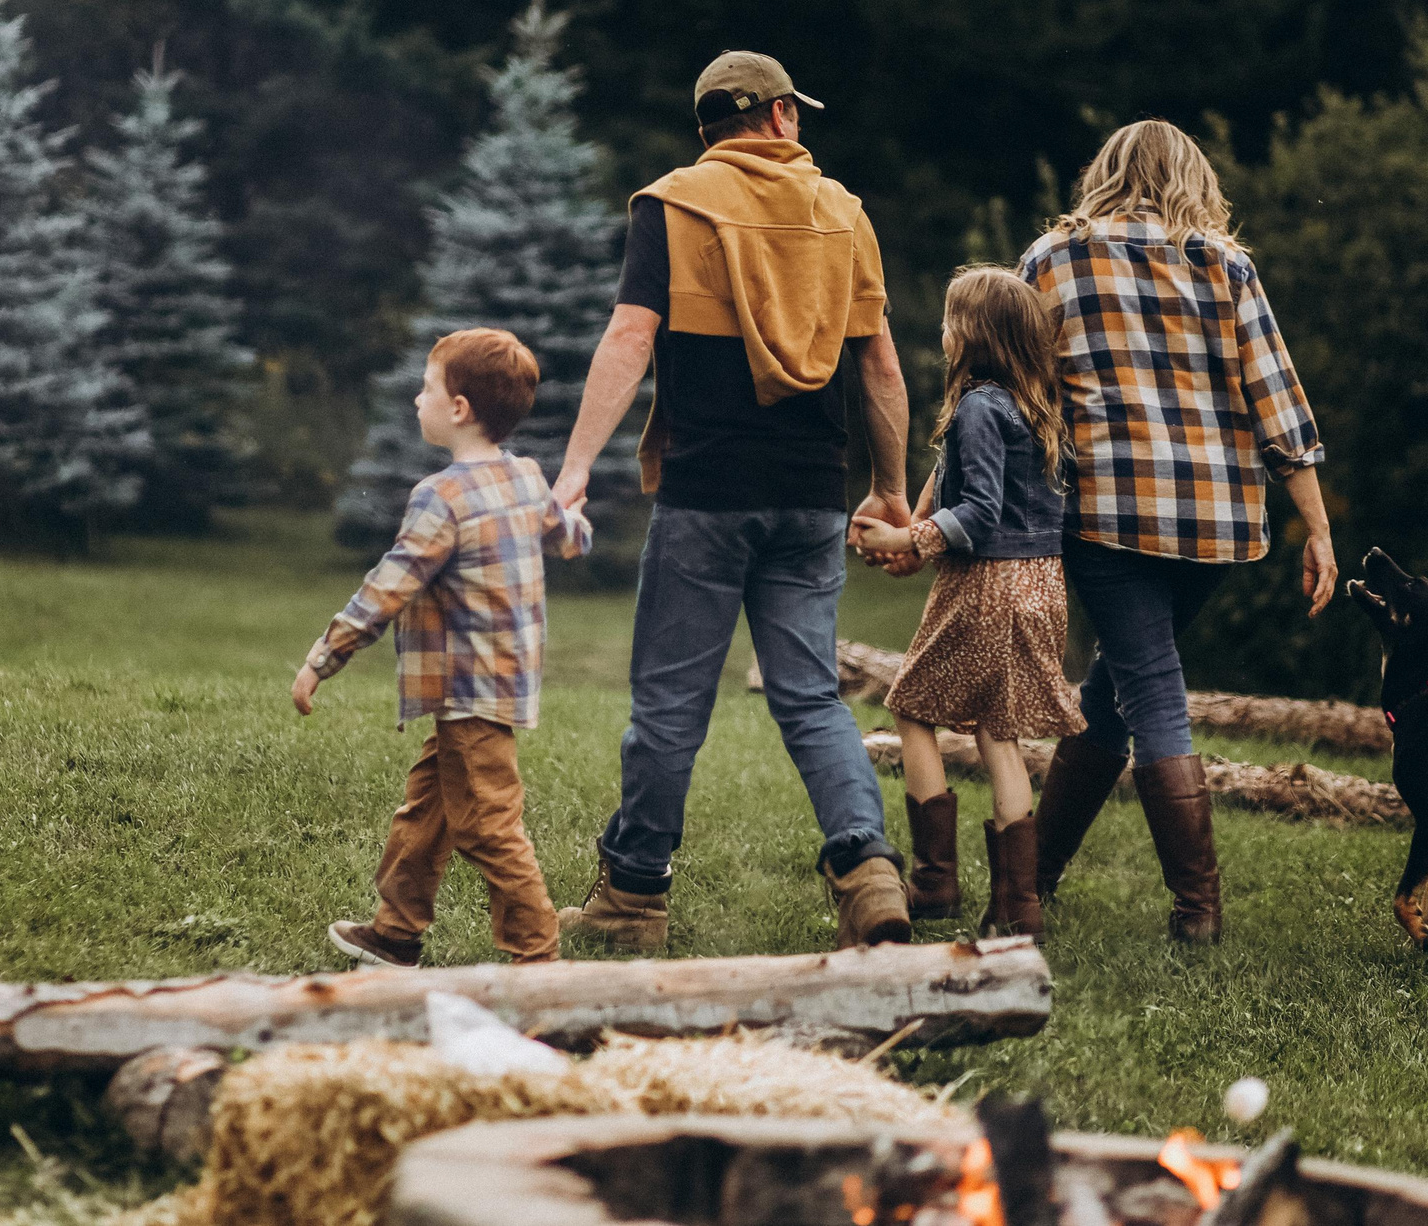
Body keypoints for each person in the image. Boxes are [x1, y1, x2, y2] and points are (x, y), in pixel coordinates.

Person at [549, 50, 915, 953]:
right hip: (810, 501)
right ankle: (867, 869)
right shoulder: (844, 213)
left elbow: (632, 335)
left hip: (706, 499)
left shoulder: (673, 204)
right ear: (783, 115)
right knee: (813, 697)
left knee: (671, 704)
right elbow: (880, 364)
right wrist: (893, 489)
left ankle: (633, 894)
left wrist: (575, 467)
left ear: (710, 126)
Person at [1016, 120, 1336, 944]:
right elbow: (1278, 401)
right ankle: (1034, 878)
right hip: (1219, 523)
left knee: (1145, 686)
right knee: (1116, 690)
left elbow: (1010, 389)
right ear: (1194, 177)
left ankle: (1197, 913)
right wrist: (1319, 529)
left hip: (1108, 514)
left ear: (1105, 172)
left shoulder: (1052, 259)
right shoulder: (1224, 264)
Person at [292, 327, 586, 969]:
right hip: (498, 685)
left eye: (426, 389)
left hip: (467, 688)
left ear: (458, 409)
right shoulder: (527, 477)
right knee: (429, 808)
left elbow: (386, 588)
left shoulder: (442, 496)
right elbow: (564, 531)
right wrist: (577, 525)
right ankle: (396, 933)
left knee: (488, 825)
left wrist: (324, 657)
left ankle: (539, 963)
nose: (416, 402)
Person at [850, 264, 1087, 941]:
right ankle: (1018, 905)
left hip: (988, 587)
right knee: (997, 734)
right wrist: (920, 524)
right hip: (1040, 585)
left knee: (911, 705)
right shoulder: (1033, 403)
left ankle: (935, 877)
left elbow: (979, 510)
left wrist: (908, 536)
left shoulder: (980, 406)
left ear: (975, 334)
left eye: (952, 319)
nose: (944, 330)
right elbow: (956, 475)